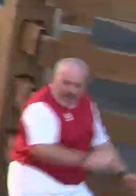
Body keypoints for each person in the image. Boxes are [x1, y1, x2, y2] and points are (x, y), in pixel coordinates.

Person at [8, 58, 136, 196]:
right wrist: (87, 160)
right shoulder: (40, 106)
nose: (71, 90)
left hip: (71, 183)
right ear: (53, 80)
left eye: (77, 86)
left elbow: (103, 145)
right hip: (34, 178)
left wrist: (123, 173)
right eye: (66, 83)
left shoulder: (88, 106)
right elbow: (42, 149)